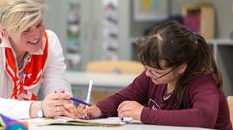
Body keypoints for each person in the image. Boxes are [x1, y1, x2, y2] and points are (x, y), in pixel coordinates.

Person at [78, 21, 232, 129]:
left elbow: (204, 117)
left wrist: (144, 114)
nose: (148, 74)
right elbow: (123, 98)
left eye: (156, 71)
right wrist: (98, 109)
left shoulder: (202, 81)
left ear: (181, 68)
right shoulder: (151, 76)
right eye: (147, 68)